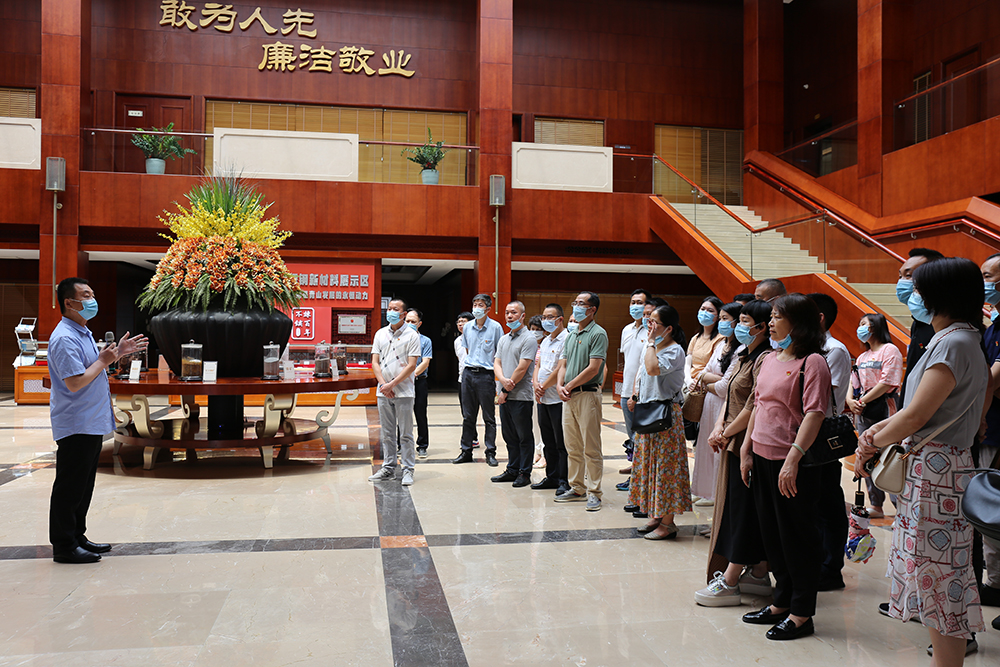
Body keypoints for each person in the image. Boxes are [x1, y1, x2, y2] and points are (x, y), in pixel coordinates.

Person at [856, 257, 988, 665]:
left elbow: (916, 416)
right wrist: (873, 437)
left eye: (918, 288)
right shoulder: (957, 339)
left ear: (940, 294)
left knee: (938, 574)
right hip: (936, 468)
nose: (912, 295)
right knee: (934, 571)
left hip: (937, 472)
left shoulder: (953, 343)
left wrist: (871, 442)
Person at [740, 293, 831, 641]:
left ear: (799, 322)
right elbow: (758, 405)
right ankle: (781, 602)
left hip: (792, 462)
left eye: (778, 316)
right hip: (762, 456)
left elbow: (815, 413)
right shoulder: (769, 358)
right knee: (773, 535)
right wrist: (746, 449)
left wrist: (793, 458)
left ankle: (801, 613)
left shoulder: (813, 362)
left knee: (797, 538)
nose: (771, 322)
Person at [47, 277, 147, 564]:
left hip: (90, 421)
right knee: (70, 487)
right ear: (69, 302)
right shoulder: (64, 338)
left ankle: (77, 536)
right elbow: (75, 382)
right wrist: (104, 361)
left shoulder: (82, 332)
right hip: (76, 423)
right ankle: (64, 546)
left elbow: (92, 370)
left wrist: (117, 354)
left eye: (92, 294)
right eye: (86, 295)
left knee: (83, 485)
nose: (92, 300)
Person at [698, 299, 773, 605]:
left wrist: (726, 432)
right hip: (731, 438)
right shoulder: (744, 354)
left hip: (747, 442)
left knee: (742, 510)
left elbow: (753, 404)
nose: (738, 326)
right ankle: (758, 572)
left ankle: (731, 579)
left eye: (744, 321)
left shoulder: (765, 358)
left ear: (762, 326)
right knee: (735, 507)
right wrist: (719, 428)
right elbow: (730, 395)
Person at [627, 304, 691, 539]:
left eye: (654, 322)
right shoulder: (651, 346)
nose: (649, 325)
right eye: (649, 321)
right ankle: (655, 515)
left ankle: (668, 523)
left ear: (669, 328)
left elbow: (653, 369)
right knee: (649, 466)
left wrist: (651, 342)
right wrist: (635, 395)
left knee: (666, 469)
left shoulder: (674, 351)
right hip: (648, 411)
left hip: (665, 416)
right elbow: (641, 374)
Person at [807, 292, 852, 591]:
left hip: (822, 435)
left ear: (819, 318)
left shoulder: (833, 351)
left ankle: (830, 568)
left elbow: (822, 398)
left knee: (828, 505)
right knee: (813, 504)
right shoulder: (809, 348)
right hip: (804, 433)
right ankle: (816, 562)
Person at [555, 291, 608, 511]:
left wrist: (568, 386)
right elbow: (563, 364)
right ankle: (577, 487)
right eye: (575, 302)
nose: (575, 306)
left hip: (587, 395)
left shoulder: (598, 333)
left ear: (592, 309)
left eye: (581, 303)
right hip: (569, 397)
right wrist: (559, 385)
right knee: (572, 445)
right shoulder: (571, 334)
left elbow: (594, 368)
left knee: (591, 446)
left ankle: (595, 492)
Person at [848, 312, 903, 519]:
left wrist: (863, 400)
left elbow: (887, 382)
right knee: (866, 453)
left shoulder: (890, 350)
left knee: (889, 455)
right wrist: (850, 401)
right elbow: (853, 381)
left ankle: (899, 507)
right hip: (864, 410)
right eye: (860, 324)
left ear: (876, 327)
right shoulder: (862, 356)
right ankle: (876, 505)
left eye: (865, 324)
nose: (860, 328)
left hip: (884, 408)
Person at [691, 299, 739, 506]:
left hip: (723, 406)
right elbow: (703, 372)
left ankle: (716, 495)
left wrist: (708, 381)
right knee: (704, 449)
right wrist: (710, 379)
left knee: (718, 452)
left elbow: (724, 387)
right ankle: (705, 491)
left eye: (726, 319)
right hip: (709, 404)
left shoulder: (740, 350)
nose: (722, 323)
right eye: (721, 319)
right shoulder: (721, 345)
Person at [370, 298, 421, 486]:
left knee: (405, 434)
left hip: (404, 392)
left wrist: (392, 385)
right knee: (387, 433)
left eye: (395, 309)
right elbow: (375, 362)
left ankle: (408, 470)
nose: (391, 311)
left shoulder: (412, 335)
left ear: (403, 314)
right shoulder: (380, 333)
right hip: (383, 391)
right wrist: (384, 385)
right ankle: (388, 467)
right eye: (389, 308)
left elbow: (412, 365)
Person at [491, 301, 538, 487]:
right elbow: (497, 363)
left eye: (514, 312)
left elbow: (522, 368)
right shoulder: (504, 339)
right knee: (509, 435)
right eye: (507, 312)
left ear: (523, 315)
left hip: (520, 396)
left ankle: (524, 473)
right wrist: (503, 380)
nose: (509, 316)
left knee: (523, 436)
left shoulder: (529, 339)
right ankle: (512, 469)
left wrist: (505, 389)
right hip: (504, 395)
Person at [453, 294, 503, 467]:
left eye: (480, 305)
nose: (476, 308)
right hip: (468, 374)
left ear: (488, 309)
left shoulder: (495, 327)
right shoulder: (467, 327)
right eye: (474, 304)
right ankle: (466, 451)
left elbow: (499, 353)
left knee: (489, 417)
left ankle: (491, 452)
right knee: (468, 416)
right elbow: (467, 349)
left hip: (486, 375)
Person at [977, 253, 1000, 612]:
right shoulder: (993, 325)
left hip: (995, 432)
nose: (983, 283)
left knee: (992, 509)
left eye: (987, 276)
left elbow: (990, 380)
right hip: (990, 428)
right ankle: (993, 583)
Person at [896, 248, 944, 403]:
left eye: (909, 276)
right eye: (900, 276)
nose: (902, 282)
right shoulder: (919, 323)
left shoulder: (945, 328)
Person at [533, 303, 569, 493]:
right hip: (543, 399)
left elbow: (561, 368)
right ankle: (552, 476)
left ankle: (564, 480)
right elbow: (538, 365)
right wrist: (536, 384)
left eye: (549, 317)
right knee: (548, 440)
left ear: (560, 319)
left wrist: (544, 386)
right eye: (544, 317)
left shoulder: (567, 339)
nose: (545, 321)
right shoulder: (546, 340)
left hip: (558, 400)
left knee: (561, 442)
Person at [685, 296, 724, 459]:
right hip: (692, 387)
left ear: (718, 315)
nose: (704, 313)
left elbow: (713, 366)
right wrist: (688, 380)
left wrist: (699, 381)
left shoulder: (720, 339)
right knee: (693, 430)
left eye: (710, 310)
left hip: (707, 388)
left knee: (704, 430)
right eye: (702, 309)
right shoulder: (696, 337)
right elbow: (688, 361)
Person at [620, 289, 652, 465]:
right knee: (631, 435)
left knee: (642, 436)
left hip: (642, 393)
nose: (635, 306)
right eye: (633, 302)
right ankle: (634, 467)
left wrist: (636, 394)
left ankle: (641, 470)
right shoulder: (626, 330)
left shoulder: (651, 331)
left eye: (640, 303)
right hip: (626, 391)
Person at [405, 309, 433, 459]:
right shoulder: (399, 339)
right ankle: (401, 445)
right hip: (402, 382)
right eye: (407, 321)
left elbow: (425, 362)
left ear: (419, 324)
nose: (409, 324)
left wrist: (411, 374)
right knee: (402, 414)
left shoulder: (425, 341)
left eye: (413, 322)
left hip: (419, 381)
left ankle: (422, 445)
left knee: (420, 414)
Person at [528, 314, 547, 469]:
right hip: (530, 388)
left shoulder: (547, 345)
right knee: (534, 422)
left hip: (544, 388)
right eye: (532, 329)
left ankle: (546, 454)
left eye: (538, 329)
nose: (534, 332)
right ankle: (537, 451)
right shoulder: (530, 345)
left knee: (544, 423)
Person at [454, 311, 475, 447]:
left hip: (476, 377)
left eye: (464, 321)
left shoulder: (475, 338)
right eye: (459, 322)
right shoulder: (457, 341)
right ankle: (472, 437)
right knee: (465, 411)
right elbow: (460, 359)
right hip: (462, 378)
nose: (460, 324)